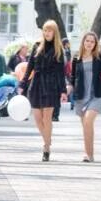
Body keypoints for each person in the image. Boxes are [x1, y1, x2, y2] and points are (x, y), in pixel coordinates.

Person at [23, 20, 67, 161]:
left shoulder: (59, 49)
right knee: (37, 118)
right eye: (45, 30)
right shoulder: (37, 46)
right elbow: (30, 66)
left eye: (50, 30)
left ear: (55, 32)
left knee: (47, 118)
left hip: (51, 85)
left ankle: (46, 148)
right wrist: (23, 82)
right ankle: (48, 140)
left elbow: (61, 73)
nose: (47, 33)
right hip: (36, 84)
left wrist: (63, 91)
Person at [70, 31, 101, 162]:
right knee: (86, 127)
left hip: (96, 95)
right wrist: (68, 89)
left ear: (95, 44)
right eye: (87, 41)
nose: (89, 43)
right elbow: (73, 77)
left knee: (88, 121)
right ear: (83, 42)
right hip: (81, 95)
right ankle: (89, 154)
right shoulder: (77, 58)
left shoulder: (99, 57)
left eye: (92, 41)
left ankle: (88, 154)